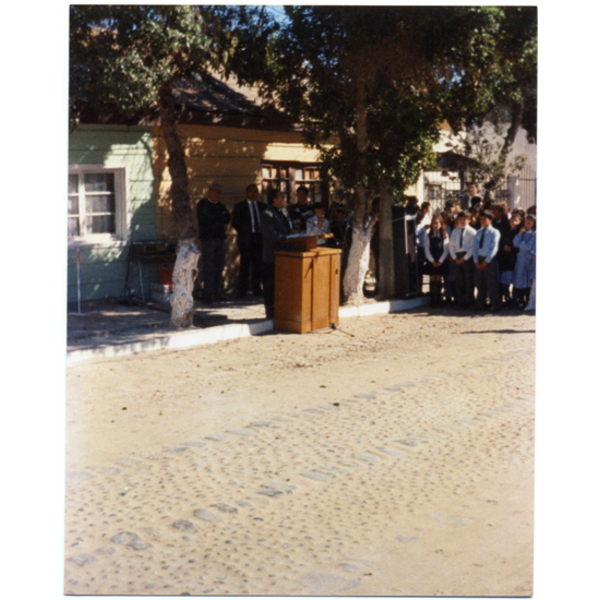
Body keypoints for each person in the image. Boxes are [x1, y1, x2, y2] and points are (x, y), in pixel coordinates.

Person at [196, 182, 231, 304]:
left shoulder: (221, 205)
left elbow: (227, 218)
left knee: (219, 266)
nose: (218, 194)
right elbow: (207, 219)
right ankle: (208, 294)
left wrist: (218, 217)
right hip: (208, 240)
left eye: (219, 192)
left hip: (220, 239)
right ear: (209, 191)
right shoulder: (203, 204)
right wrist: (218, 217)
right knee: (209, 266)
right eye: (216, 191)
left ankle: (217, 293)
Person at [261, 189, 293, 319]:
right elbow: (270, 235)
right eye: (282, 197)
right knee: (270, 285)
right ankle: (271, 311)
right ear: (274, 199)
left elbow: (289, 229)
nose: (285, 199)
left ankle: (283, 309)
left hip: (286, 254)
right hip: (272, 256)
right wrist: (286, 237)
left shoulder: (284, 213)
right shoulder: (267, 214)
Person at [231, 183, 266, 298]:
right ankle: (242, 291)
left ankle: (256, 289)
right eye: (251, 191)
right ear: (246, 193)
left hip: (259, 239)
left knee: (258, 266)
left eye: (255, 191)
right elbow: (235, 222)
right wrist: (244, 231)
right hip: (246, 239)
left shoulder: (262, 207)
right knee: (245, 266)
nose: (253, 193)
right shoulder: (240, 206)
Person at [472, 210, 501, 311]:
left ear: (490, 220)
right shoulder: (478, 232)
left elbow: (494, 248)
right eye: (481, 219)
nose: (482, 221)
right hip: (479, 258)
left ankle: (494, 304)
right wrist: (476, 261)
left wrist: (486, 261)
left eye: (484, 219)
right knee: (480, 283)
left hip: (489, 260)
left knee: (491, 282)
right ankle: (480, 303)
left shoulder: (494, 232)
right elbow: (474, 247)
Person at [448, 211, 476, 309]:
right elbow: (451, 246)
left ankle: (468, 302)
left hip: (467, 257)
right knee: (459, 280)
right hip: (457, 256)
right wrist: (455, 257)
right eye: (461, 219)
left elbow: (473, 248)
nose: (462, 221)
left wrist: (464, 258)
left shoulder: (472, 232)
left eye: (464, 219)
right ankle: (460, 302)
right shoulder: (455, 231)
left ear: (469, 219)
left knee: (468, 280)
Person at [497, 212, 523, 306]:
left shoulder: (520, 233)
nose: (513, 222)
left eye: (516, 221)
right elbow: (501, 242)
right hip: (506, 260)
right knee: (505, 282)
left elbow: (519, 245)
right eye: (512, 220)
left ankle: (515, 299)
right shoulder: (505, 232)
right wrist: (504, 247)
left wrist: (512, 249)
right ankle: (507, 298)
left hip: (516, 260)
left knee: (516, 282)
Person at [423, 214, 449, 307]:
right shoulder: (427, 233)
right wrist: (432, 261)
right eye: (433, 223)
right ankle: (432, 300)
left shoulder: (445, 234)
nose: (435, 225)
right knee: (432, 278)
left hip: (441, 259)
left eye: (437, 223)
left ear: (441, 224)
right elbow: (426, 248)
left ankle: (438, 299)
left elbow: (446, 250)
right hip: (431, 259)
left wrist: (440, 261)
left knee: (438, 278)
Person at [513, 214, 537, 309]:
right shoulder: (522, 232)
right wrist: (519, 235)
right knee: (520, 279)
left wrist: (520, 244)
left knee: (528, 280)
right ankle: (520, 300)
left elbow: (529, 246)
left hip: (528, 260)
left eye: (529, 223)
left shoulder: (534, 233)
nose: (526, 225)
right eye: (526, 222)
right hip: (520, 259)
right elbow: (515, 244)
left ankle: (528, 300)